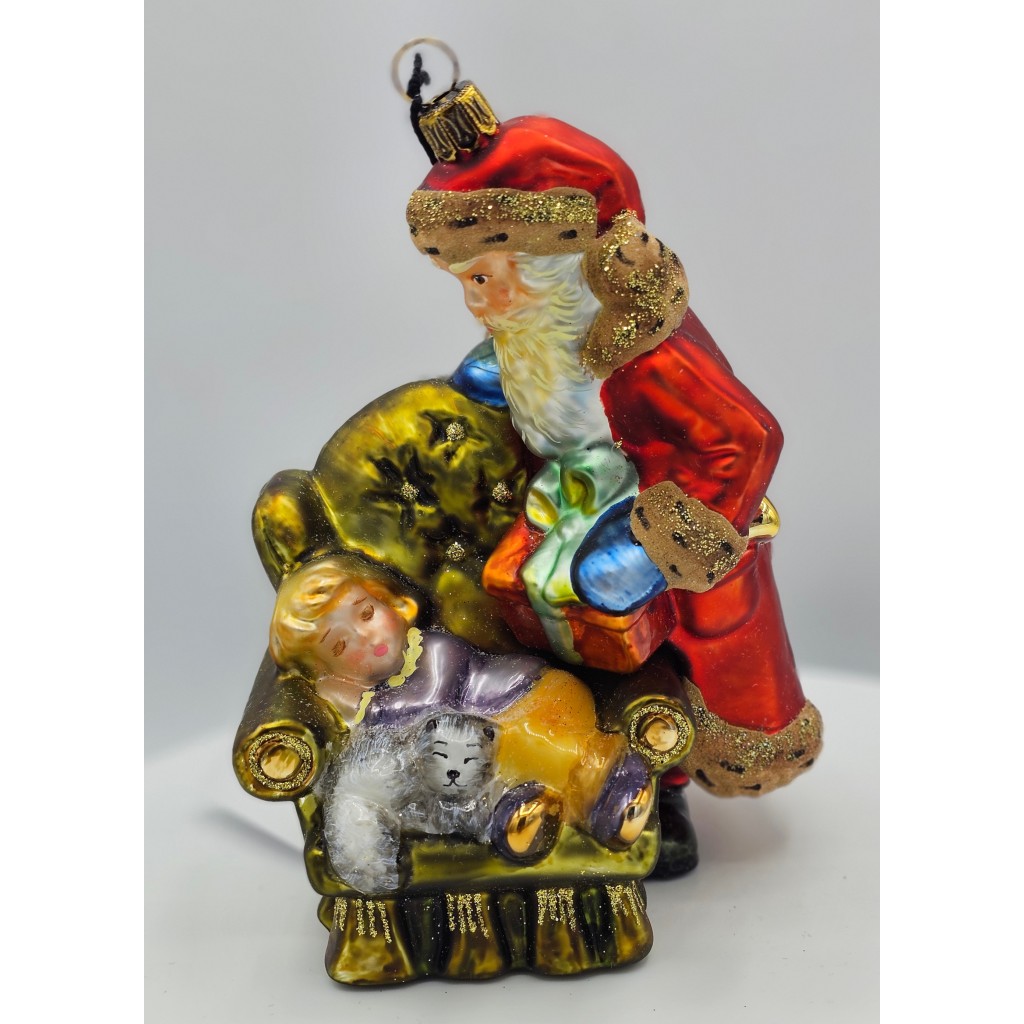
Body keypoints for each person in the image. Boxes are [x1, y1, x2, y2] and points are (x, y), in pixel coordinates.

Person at [404, 92, 823, 875]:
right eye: (465, 280)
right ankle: (578, 757)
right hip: (570, 499)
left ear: (555, 266)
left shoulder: (644, 353)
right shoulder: (536, 337)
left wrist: (662, 546)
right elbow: (529, 389)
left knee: (657, 647)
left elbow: (747, 436)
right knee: (543, 619)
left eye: (487, 276)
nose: (477, 302)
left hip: (670, 524)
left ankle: (663, 787)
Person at [268, 554, 657, 865]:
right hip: (498, 742)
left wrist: (362, 705)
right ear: (330, 668)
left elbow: (431, 704)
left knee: (535, 747)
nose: (365, 637)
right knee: (490, 771)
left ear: (394, 604)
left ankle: (619, 784)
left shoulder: (434, 650)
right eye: (340, 646)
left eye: (367, 613)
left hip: (535, 699)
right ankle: (527, 815)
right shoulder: (387, 690)